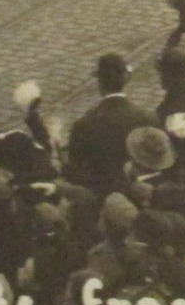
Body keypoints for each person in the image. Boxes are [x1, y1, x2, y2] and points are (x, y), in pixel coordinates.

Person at [64, 53, 154, 198]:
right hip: (141, 194)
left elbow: (76, 172)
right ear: (125, 79)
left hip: (102, 198)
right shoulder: (147, 118)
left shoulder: (83, 125)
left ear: (100, 83)